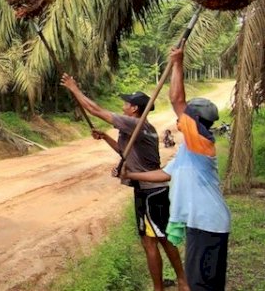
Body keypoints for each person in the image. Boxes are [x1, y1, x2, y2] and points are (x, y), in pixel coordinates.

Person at [60, 74, 189, 291]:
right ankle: (181, 280)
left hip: (150, 193)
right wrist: (106, 137)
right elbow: (125, 153)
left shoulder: (134, 124)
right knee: (163, 238)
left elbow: (95, 111)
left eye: (126, 103)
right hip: (151, 191)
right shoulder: (140, 127)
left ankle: (163, 287)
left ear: (135, 109)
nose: (123, 106)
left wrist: (74, 88)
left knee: (152, 242)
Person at [124, 47, 230, 291]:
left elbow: (176, 100)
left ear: (193, 121)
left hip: (208, 224)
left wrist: (177, 63)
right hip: (201, 224)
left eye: (186, 116)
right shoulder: (187, 150)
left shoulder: (200, 143)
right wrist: (131, 175)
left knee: (201, 285)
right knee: (201, 283)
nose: (179, 119)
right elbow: (164, 174)